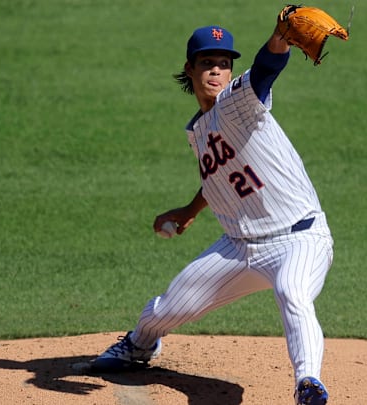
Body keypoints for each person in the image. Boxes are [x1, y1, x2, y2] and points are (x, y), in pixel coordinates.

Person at [91, 19, 335, 405]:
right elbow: (221, 176)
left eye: (224, 63)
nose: (217, 70)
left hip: (299, 238)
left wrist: (279, 39)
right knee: (168, 308)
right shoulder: (199, 128)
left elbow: (267, 69)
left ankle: (308, 383)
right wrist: (190, 209)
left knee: (293, 292)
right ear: (190, 68)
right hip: (239, 248)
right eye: (207, 62)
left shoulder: (238, 102)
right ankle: (139, 346)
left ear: (231, 71)